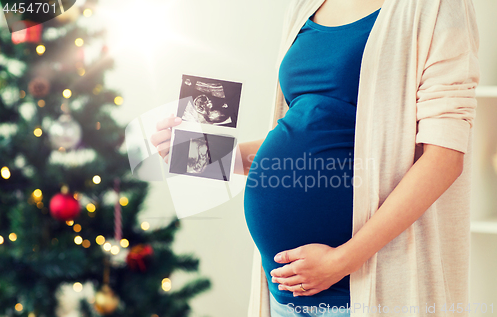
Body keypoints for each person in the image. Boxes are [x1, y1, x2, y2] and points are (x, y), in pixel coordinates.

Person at [150, 0, 479, 316]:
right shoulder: (304, 5)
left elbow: (444, 158)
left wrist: (341, 261)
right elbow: (303, 132)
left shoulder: (434, 6)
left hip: (359, 292)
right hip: (284, 292)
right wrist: (198, 154)